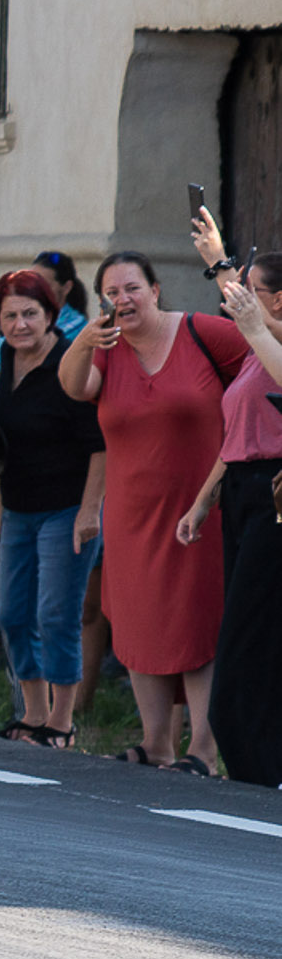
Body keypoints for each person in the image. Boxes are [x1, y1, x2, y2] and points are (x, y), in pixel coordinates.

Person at [59, 251, 248, 774]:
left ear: (156, 290)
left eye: (132, 288)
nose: (122, 300)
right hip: (131, 515)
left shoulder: (202, 333)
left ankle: (203, 750)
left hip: (200, 510)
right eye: (112, 293)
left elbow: (263, 363)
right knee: (140, 622)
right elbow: (74, 387)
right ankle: (156, 742)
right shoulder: (107, 350)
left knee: (197, 623)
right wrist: (83, 340)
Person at [0, 268, 102, 748]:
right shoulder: (5, 360)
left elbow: (99, 446)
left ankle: (62, 721)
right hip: (17, 510)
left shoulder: (68, 364)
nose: (20, 325)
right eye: (9, 316)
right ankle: (32, 712)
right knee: (12, 616)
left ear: (51, 315)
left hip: (64, 510)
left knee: (56, 615)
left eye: (30, 313)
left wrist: (89, 512)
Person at [192, 248, 282, 786]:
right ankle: (257, 765)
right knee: (253, 631)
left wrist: (253, 323)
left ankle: (256, 763)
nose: (239, 298)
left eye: (253, 290)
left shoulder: (265, 341)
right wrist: (203, 499)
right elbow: (236, 440)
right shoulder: (257, 344)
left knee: (249, 636)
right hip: (243, 492)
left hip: (274, 495)